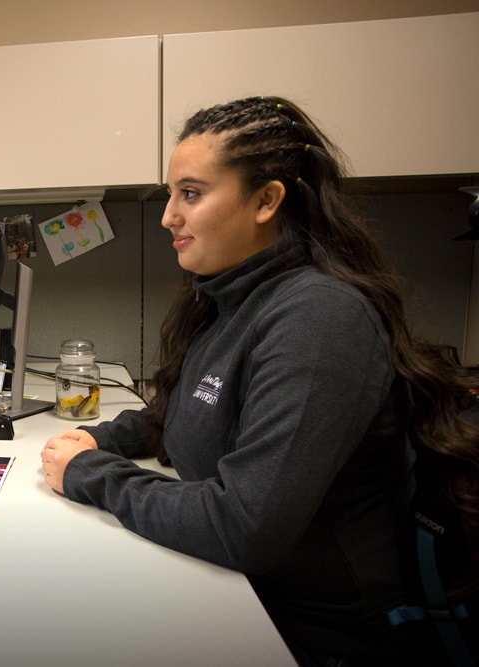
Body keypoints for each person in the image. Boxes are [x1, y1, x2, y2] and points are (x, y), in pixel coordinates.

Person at [40, 96, 479, 666]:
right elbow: (191, 409)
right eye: (172, 194)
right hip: (241, 594)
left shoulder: (318, 318)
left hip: (314, 636)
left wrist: (90, 474)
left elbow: (243, 525)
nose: (169, 215)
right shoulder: (231, 302)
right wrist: (108, 440)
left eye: (190, 194)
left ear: (267, 199)